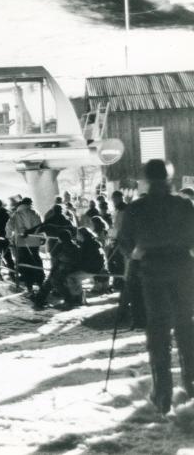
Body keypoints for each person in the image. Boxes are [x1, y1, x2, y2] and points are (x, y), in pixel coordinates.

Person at [117, 159, 194, 414]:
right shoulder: (183, 205)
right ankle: (192, 386)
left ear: (147, 179)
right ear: (169, 178)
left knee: (158, 331)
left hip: (152, 273)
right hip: (183, 269)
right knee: (186, 327)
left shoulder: (136, 208)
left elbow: (125, 242)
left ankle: (162, 394)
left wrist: (136, 252)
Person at [6, 197, 44, 293]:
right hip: (35, 241)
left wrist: (9, 237)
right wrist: (42, 237)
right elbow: (41, 226)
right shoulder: (35, 212)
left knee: (25, 263)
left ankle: (29, 286)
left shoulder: (17, 213)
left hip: (22, 242)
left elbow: (9, 226)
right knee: (36, 260)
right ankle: (40, 282)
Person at [34, 229, 80, 309]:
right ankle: (39, 300)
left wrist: (59, 260)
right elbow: (54, 255)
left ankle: (69, 300)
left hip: (68, 269)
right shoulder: (63, 245)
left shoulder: (73, 247)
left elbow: (67, 259)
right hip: (60, 268)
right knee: (49, 280)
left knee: (55, 281)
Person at [77, 226, 109, 294]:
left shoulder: (86, 244)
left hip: (94, 268)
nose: (77, 236)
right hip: (101, 266)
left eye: (78, 234)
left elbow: (82, 258)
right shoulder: (95, 242)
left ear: (82, 235)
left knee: (70, 275)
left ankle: (78, 293)